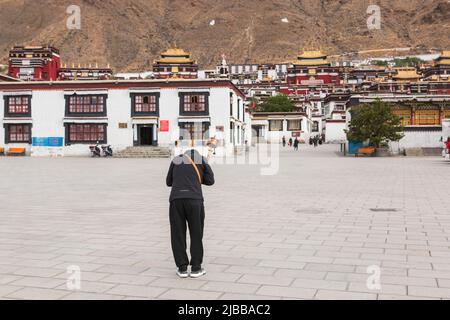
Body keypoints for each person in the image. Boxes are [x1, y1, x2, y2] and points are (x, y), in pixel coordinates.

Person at [166, 149, 215, 278]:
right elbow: (210, 181)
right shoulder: (202, 160)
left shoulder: (176, 159)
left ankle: (182, 268)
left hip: (176, 200)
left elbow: (168, 182)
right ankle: (196, 268)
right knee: (196, 233)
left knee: (177, 234)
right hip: (195, 200)